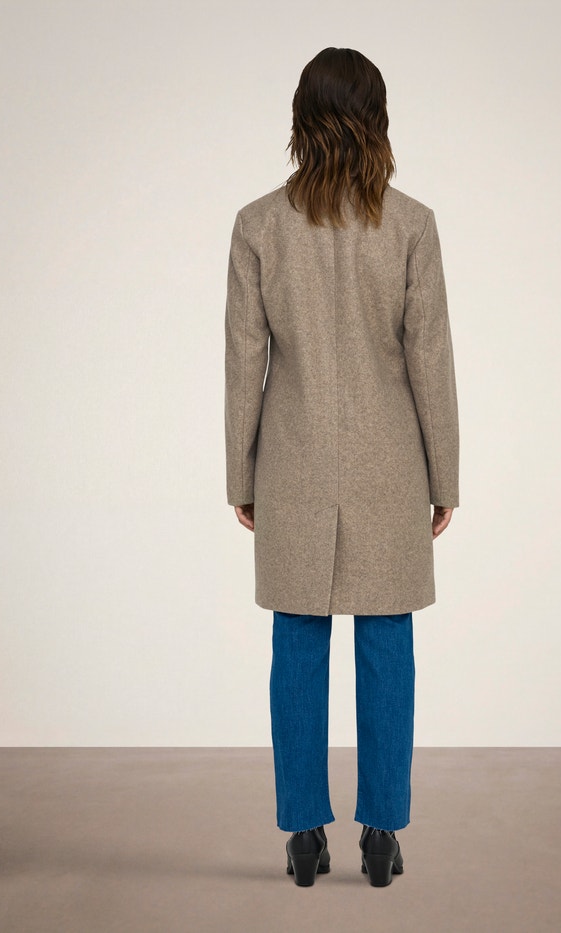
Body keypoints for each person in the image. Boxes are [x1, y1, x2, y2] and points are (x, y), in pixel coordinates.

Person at [224, 47, 460, 887]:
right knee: (387, 642)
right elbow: (430, 358)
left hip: (290, 464)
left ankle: (302, 833)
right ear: (377, 119)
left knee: (297, 640)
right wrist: (445, 477)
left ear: (302, 119)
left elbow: (244, 361)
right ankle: (382, 834)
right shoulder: (411, 224)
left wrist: (240, 475)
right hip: (390, 466)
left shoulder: (259, 224)